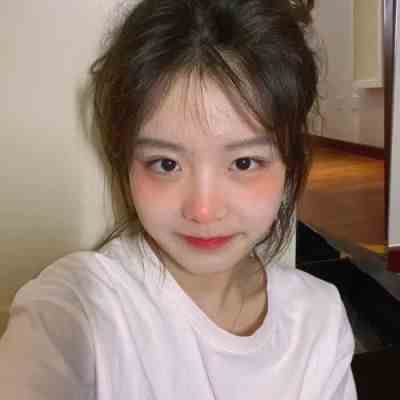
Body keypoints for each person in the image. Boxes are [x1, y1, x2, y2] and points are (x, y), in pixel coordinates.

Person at [0, 0, 357, 398]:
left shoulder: (319, 320)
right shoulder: (74, 312)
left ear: (290, 163)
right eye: (166, 164)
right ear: (126, 162)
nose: (203, 210)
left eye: (243, 162)